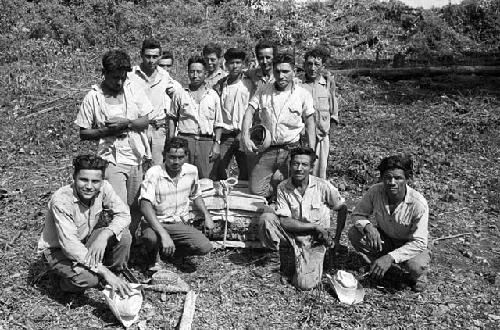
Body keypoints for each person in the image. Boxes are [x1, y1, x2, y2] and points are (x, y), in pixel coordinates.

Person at [75, 49, 152, 238]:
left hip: (137, 156)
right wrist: (106, 131)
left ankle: (130, 245)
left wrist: (128, 123)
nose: (119, 82)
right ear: (104, 73)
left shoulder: (133, 89)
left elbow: (145, 120)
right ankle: (118, 249)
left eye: (122, 78)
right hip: (112, 159)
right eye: (114, 78)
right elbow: (83, 132)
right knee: (119, 208)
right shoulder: (94, 97)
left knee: (136, 205)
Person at [37, 155, 133, 296]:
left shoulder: (104, 188)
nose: (89, 186)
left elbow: (124, 214)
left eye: (95, 181)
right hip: (58, 250)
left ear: (102, 180)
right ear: (74, 177)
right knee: (88, 279)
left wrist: (104, 235)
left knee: (123, 235)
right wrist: (105, 273)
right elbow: (70, 246)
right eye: (83, 180)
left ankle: (112, 274)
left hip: (83, 240)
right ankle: (60, 283)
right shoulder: (62, 200)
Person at [258, 147, 348, 288]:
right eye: (295, 164)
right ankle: (276, 260)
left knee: (304, 284)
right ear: (290, 165)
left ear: (311, 168)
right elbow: (285, 221)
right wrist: (314, 225)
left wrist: (336, 239)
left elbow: (342, 208)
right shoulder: (283, 187)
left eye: (304, 165)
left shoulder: (322, 186)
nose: (299, 168)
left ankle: (312, 260)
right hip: (292, 233)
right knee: (267, 218)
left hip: (315, 239)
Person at [348, 155, 431, 292]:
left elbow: (419, 242)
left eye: (398, 178)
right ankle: (380, 267)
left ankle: (419, 276)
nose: (392, 182)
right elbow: (357, 214)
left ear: (406, 179)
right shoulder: (375, 191)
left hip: (411, 244)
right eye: (388, 177)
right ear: (382, 178)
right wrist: (368, 227)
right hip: (386, 238)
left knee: (415, 266)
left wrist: (391, 257)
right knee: (355, 233)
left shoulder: (418, 203)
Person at [241, 52, 316, 200]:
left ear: (293, 72)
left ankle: (284, 204)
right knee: (256, 189)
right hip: (268, 149)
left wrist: (310, 151)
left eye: (285, 71)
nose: (281, 76)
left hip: (292, 149)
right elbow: (249, 111)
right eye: (277, 71)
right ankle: (275, 198)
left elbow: (310, 123)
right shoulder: (264, 90)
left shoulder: (302, 94)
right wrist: (245, 136)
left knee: (294, 185)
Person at [139, 137, 214, 270]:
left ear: (186, 156)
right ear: (164, 155)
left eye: (180, 157)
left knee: (205, 246)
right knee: (150, 238)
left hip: (178, 223)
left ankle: (171, 252)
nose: (176, 161)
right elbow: (145, 205)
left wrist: (207, 215)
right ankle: (152, 256)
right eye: (172, 157)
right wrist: (163, 234)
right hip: (156, 222)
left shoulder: (192, 171)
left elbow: (196, 195)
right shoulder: (154, 173)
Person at [128, 38, 181, 165]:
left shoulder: (164, 75)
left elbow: (177, 95)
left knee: (157, 167)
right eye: (148, 56)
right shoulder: (131, 74)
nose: (151, 60)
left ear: (160, 56)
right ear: (141, 55)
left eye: (155, 56)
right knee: (137, 164)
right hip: (137, 129)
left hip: (158, 129)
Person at [168, 56, 222, 179]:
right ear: (188, 72)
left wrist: (217, 144)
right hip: (185, 141)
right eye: (192, 71)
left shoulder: (213, 96)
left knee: (207, 180)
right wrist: (171, 140)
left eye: (199, 72)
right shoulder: (180, 94)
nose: (195, 75)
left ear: (205, 73)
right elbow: (172, 118)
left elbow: (218, 123)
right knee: (182, 178)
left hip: (206, 142)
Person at [212, 48, 255, 180]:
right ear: (226, 65)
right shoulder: (221, 84)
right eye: (231, 63)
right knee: (219, 169)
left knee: (246, 171)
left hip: (244, 134)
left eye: (238, 62)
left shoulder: (249, 83)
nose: (235, 66)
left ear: (243, 64)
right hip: (226, 134)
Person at [301, 46, 339, 179]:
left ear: (322, 66)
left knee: (320, 172)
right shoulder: (299, 86)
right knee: (302, 171)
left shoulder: (327, 85)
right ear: (304, 65)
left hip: (322, 138)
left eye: (316, 64)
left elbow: (334, 114)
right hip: (303, 139)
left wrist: (328, 135)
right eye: (309, 64)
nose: (312, 68)